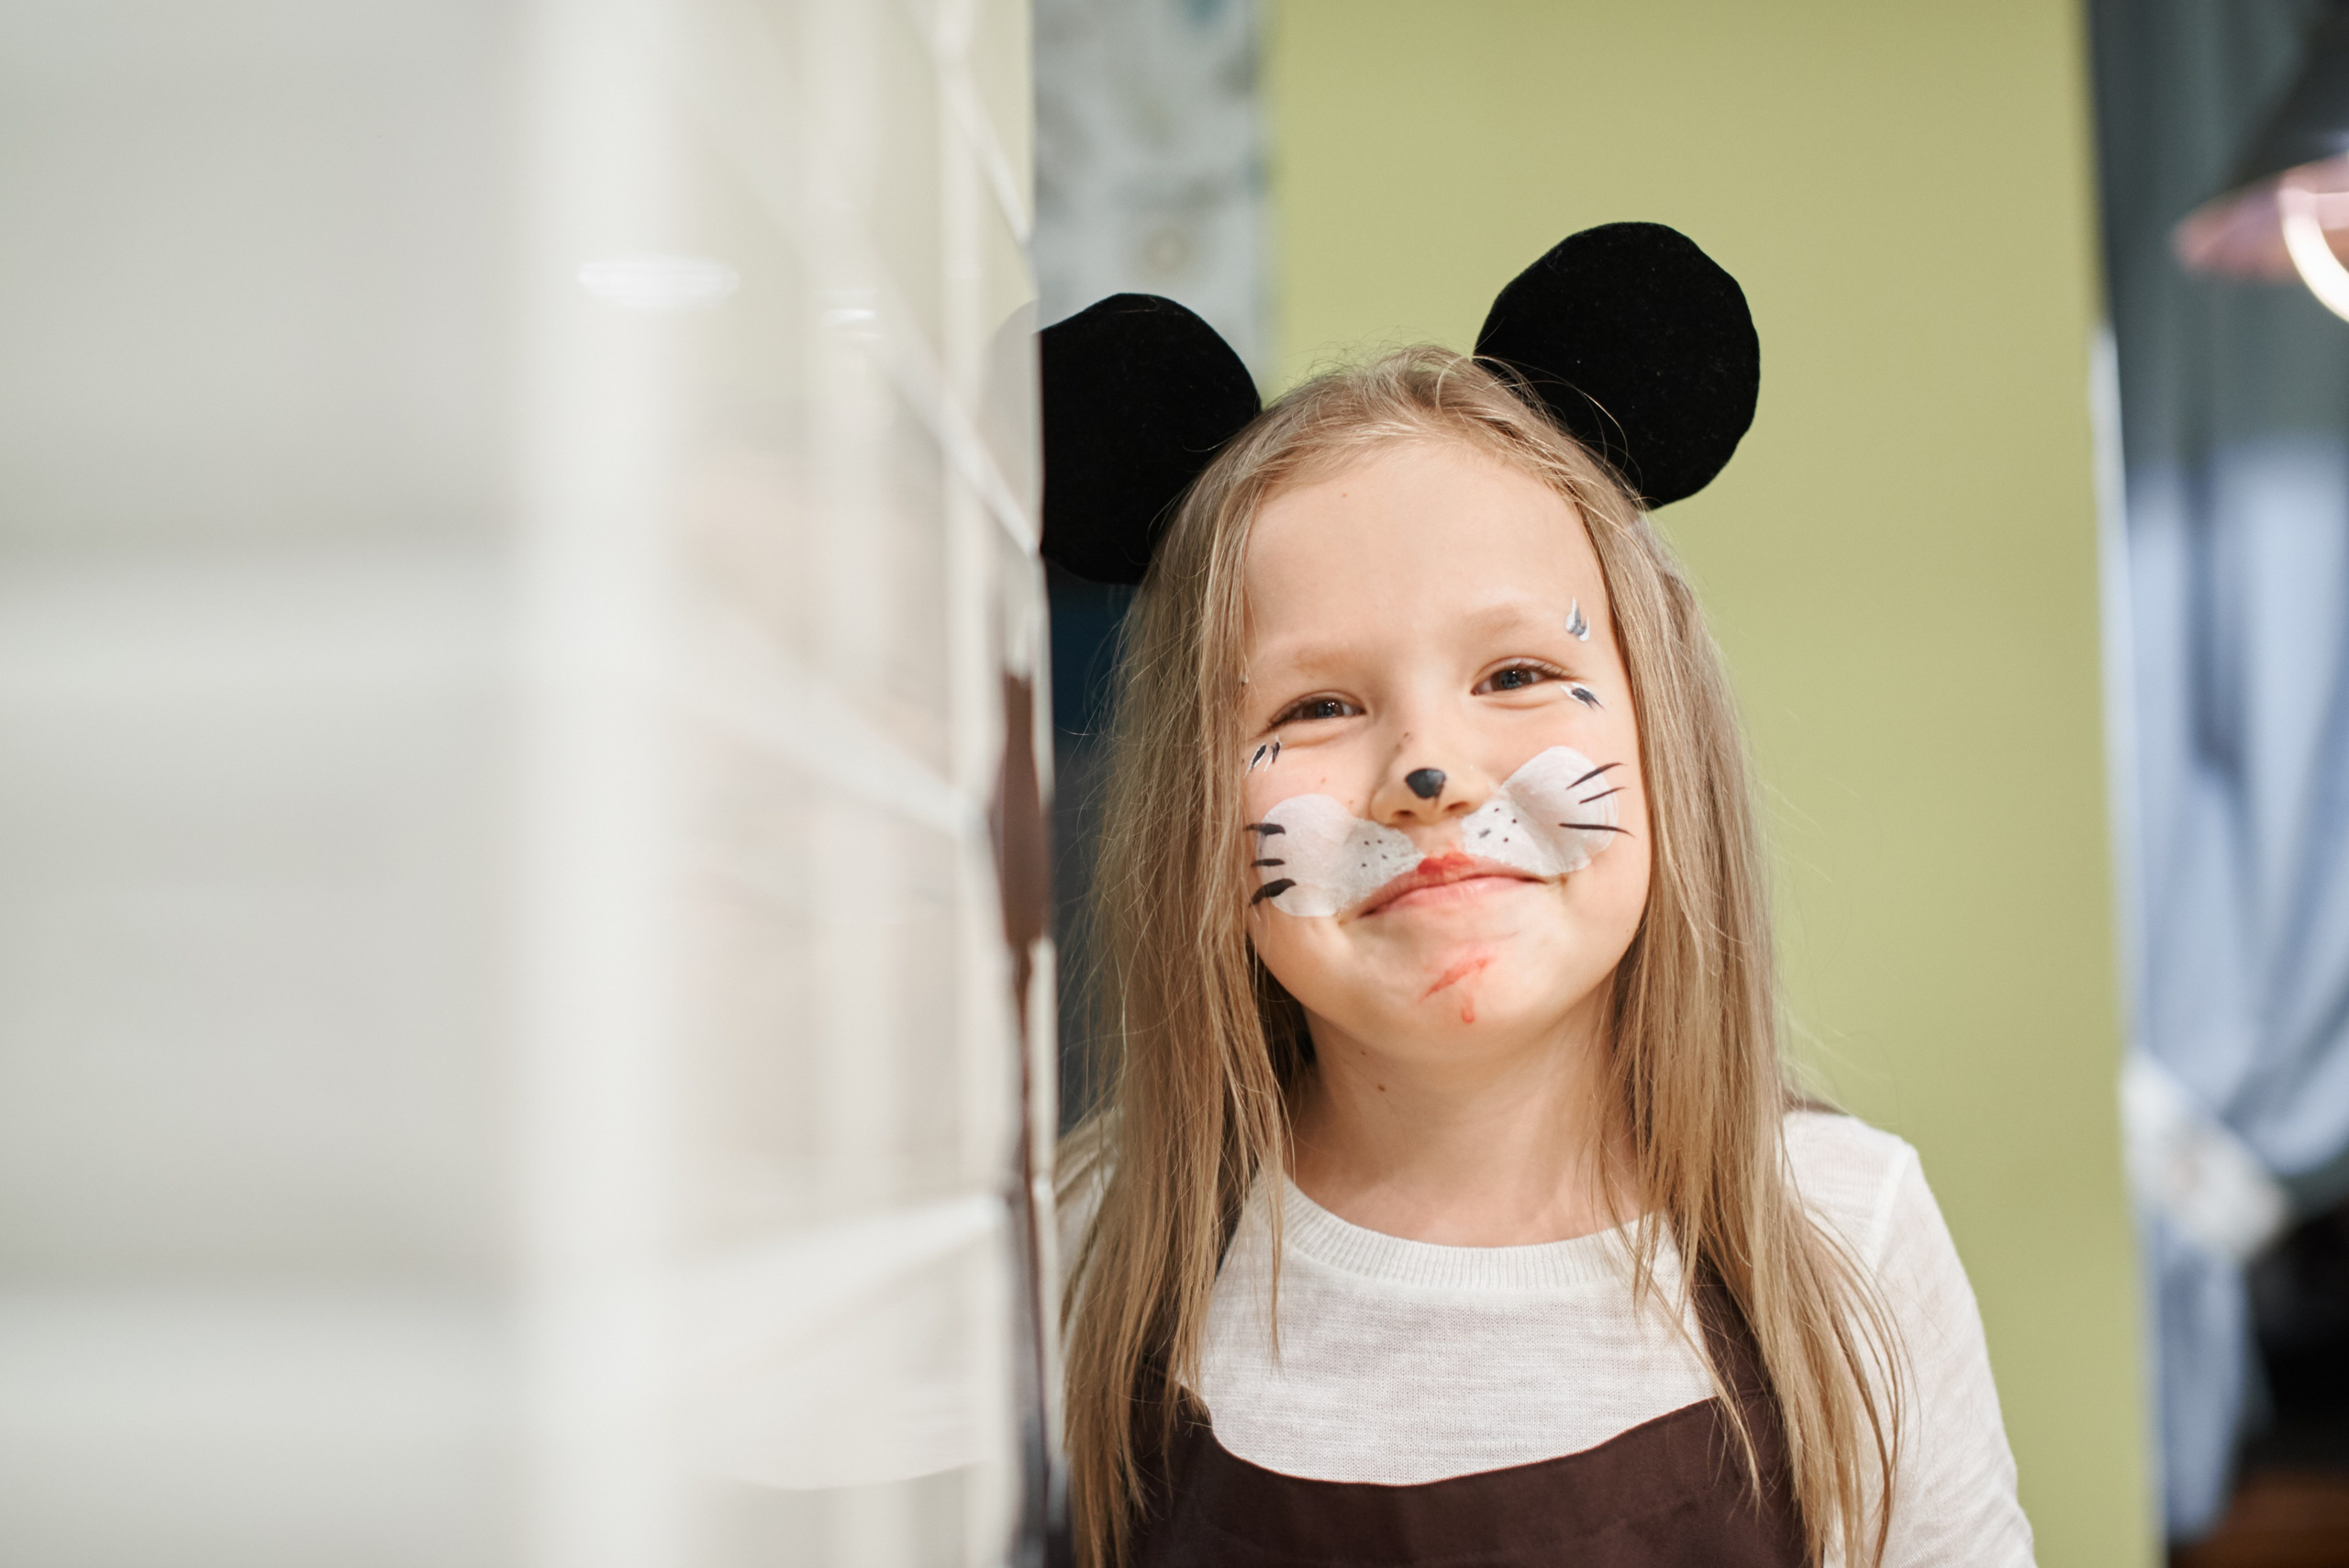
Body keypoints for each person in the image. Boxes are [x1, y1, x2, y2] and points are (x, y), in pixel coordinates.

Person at [1041, 227, 2033, 1568]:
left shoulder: (1841, 1231)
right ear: (1195, 818)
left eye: (1513, 673)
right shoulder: (1094, 1249)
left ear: (1663, 728)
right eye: (1319, 704)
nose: (1431, 772)